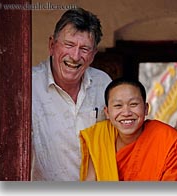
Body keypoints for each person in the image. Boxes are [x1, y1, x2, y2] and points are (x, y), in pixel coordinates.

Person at [31, 8, 112, 181]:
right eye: (69, 45)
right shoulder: (27, 85)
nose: (75, 56)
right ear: (52, 45)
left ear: (93, 55)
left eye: (84, 48)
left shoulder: (103, 84)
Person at [79, 77, 177, 181]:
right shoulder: (100, 137)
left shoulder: (168, 141)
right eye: (118, 105)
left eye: (133, 104)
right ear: (107, 113)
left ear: (146, 109)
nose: (126, 113)